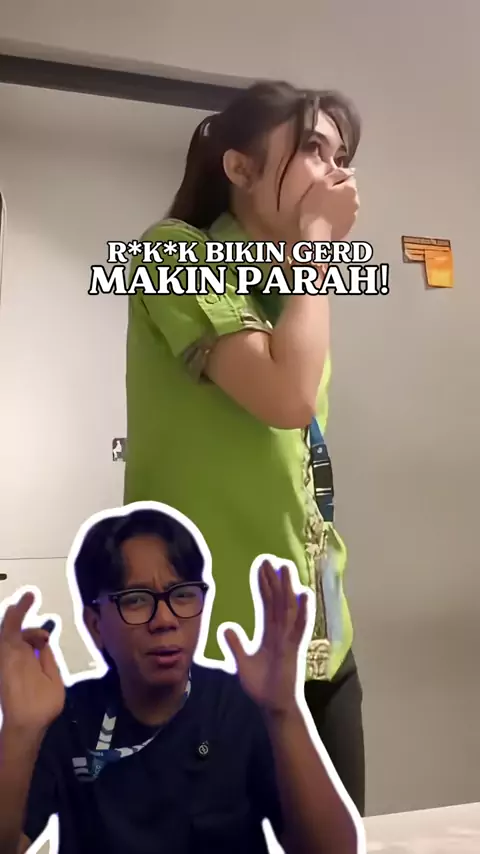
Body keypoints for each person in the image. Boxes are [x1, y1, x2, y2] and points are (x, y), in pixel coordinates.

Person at [124, 80, 365, 812]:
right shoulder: (172, 253)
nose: (336, 174)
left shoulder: (295, 292)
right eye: (314, 149)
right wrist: (319, 248)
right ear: (240, 167)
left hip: (321, 642)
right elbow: (286, 398)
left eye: (343, 157)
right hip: (208, 653)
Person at [0, 506, 359, 854]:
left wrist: (283, 710)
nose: (165, 620)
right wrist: (19, 730)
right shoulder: (70, 718)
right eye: (137, 600)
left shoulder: (237, 706)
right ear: (96, 625)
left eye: (183, 595)